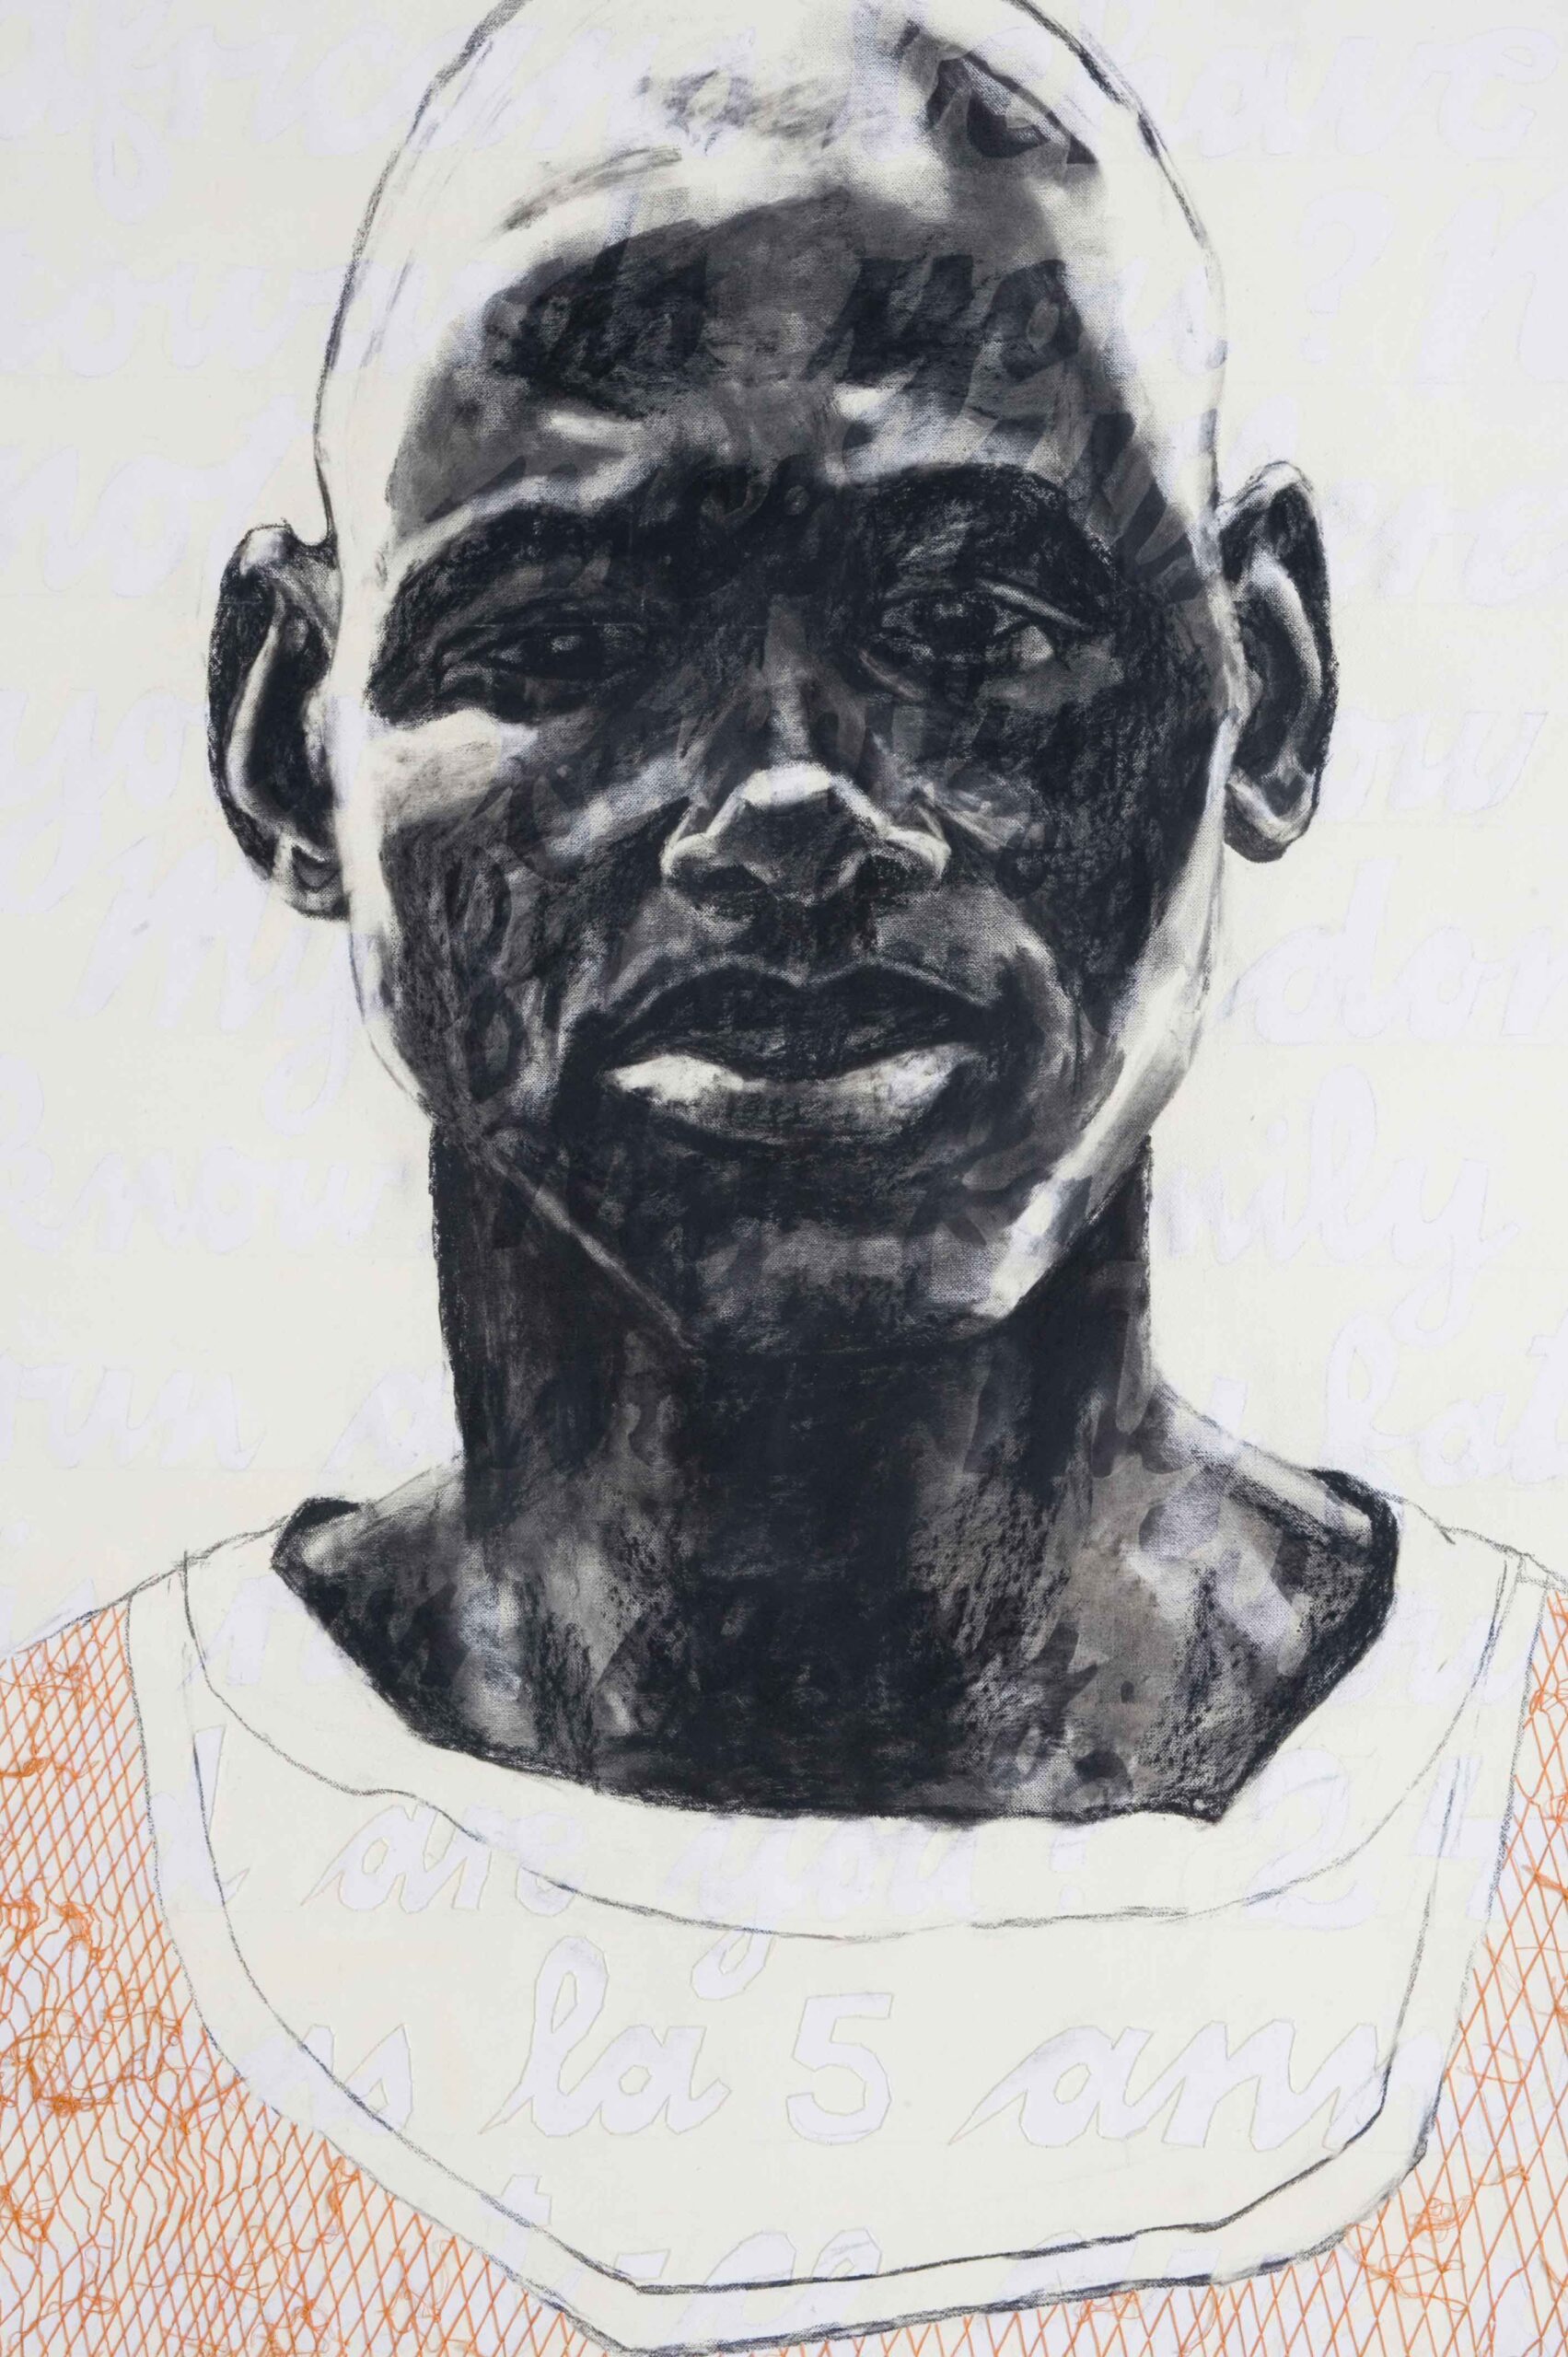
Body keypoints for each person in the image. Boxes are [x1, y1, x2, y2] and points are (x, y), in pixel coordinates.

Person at [2, 1, 1564, 2351]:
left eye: (974, 620)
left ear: (1269, 679)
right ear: (284, 736)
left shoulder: (1520, 1854)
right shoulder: (53, 1908)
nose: (789, 801)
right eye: (565, 631)